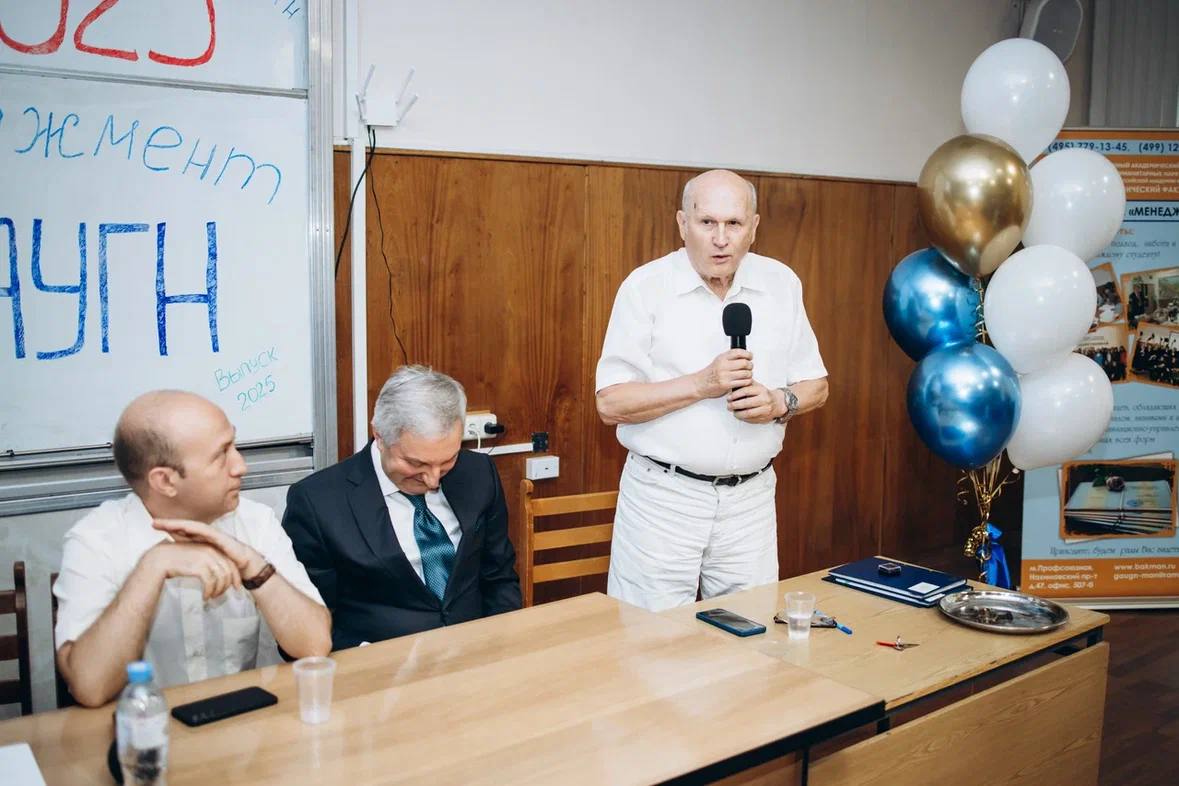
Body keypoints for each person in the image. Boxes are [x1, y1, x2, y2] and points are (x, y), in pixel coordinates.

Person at [595, 169, 828, 612]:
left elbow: (816, 384)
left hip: (751, 500)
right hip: (664, 498)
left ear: (753, 227)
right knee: (649, 639)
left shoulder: (781, 284)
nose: (721, 239)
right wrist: (702, 384)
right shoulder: (645, 287)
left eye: (734, 224)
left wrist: (780, 402)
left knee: (750, 631)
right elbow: (610, 403)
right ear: (683, 224)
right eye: (707, 223)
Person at [54, 391, 331, 707]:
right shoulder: (96, 540)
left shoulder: (255, 522)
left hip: (240, 722)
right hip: (144, 726)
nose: (240, 466)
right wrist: (153, 566)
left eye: (234, 445)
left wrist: (253, 565)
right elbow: (90, 687)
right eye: (221, 455)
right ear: (165, 481)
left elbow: (315, 645)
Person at [282, 365, 521, 649]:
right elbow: (304, 625)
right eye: (416, 463)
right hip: (379, 665)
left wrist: (501, 646)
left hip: (476, 653)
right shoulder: (317, 503)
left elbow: (499, 576)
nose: (433, 479)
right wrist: (370, 659)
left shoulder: (479, 473)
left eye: (447, 461)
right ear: (380, 436)